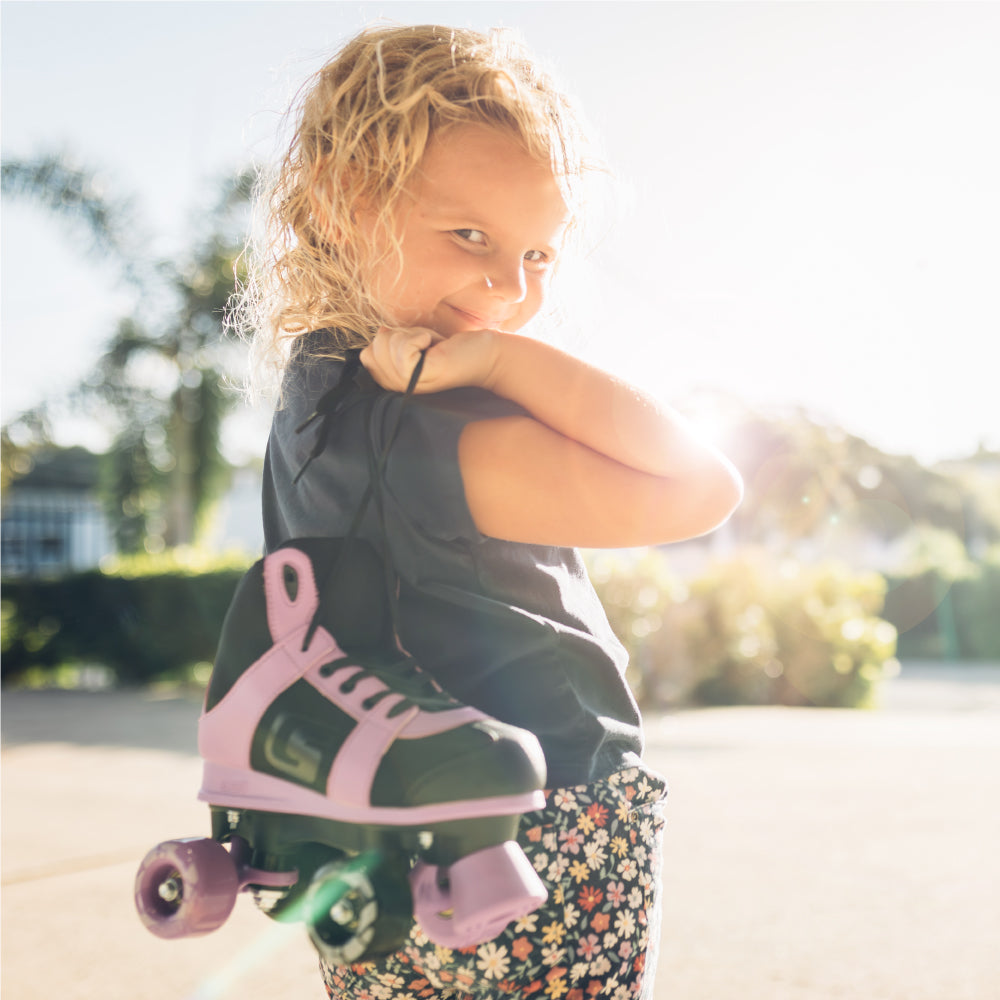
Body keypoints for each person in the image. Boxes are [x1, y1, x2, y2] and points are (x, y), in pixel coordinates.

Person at [237, 23, 742, 1000]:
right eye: (470, 236)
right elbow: (702, 486)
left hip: (364, 832)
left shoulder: (314, 405)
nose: (509, 289)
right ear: (344, 199)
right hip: (544, 821)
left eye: (538, 252)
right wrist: (509, 361)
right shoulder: (430, 430)